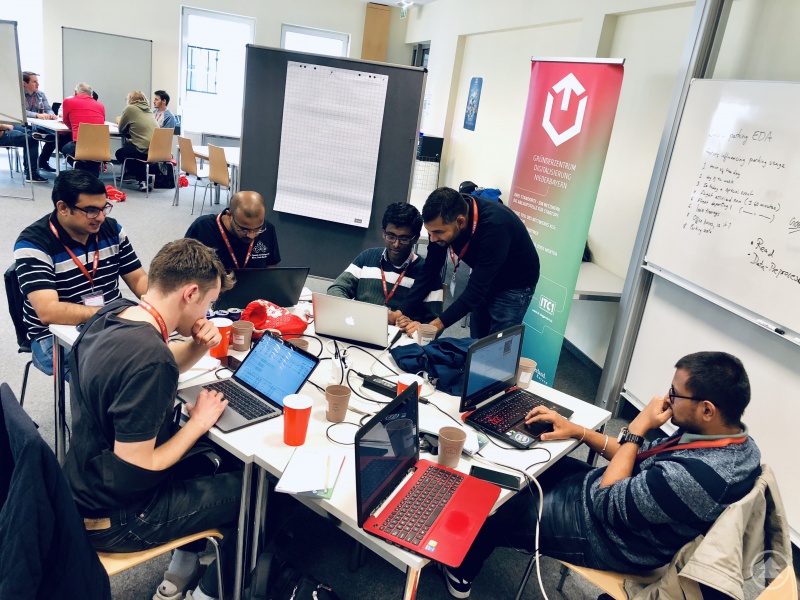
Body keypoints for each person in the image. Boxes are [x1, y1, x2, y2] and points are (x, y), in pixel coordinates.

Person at [439, 351, 762, 599]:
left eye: (675, 394)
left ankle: (461, 572)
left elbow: (606, 502)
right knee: (529, 469)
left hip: (612, 538)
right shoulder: (728, 440)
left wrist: (638, 428)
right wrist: (578, 431)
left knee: (497, 506)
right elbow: (635, 458)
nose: (665, 399)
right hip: (620, 499)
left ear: (707, 409)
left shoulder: (698, 477)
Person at [62, 238, 240, 600]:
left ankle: (183, 567)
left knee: (205, 458)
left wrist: (197, 345)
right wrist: (198, 422)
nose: (207, 314)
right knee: (256, 494)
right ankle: (208, 593)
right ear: (190, 293)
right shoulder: (151, 359)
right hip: (119, 518)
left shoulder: (115, 314)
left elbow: (157, 364)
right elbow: (140, 463)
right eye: (209, 304)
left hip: (82, 487)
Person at [13, 170, 148, 376]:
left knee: (153, 357)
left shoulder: (112, 230)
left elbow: (138, 279)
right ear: (63, 208)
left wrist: (158, 303)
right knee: (110, 377)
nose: (100, 217)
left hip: (110, 323)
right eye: (91, 210)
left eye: (104, 208)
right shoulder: (34, 243)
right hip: (53, 335)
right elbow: (49, 312)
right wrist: (111, 314)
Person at [398, 186, 540, 339]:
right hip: (484, 273)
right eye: (429, 232)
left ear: (460, 222)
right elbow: (430, 269)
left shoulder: (495, 225)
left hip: (514, 285)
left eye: (438, 232)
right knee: (476, 341)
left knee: (497, 346)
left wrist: (435, 326)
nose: (432, 239)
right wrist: (402, 312)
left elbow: (476, 291)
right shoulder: (446, 217)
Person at [327, 202, 442, 323]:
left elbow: (434, 324)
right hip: (361, 326)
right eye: (391, 236)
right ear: (383, 232)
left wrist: (413, 325)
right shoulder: (367, 258)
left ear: (416, 238)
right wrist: (356, 312)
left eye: (404, 238)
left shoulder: (428, 273)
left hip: (400, 333)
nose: (396, 244)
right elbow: (336, 289)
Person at [185, 191, 281, 271]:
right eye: (244, 229)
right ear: (229, 216)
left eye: (257, 229)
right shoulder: (202, 227)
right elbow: (185, 269)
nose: (251, 235)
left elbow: (271, 266)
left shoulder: (268, 228)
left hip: (254, 287)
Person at [116, 90, 158, 192]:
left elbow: (121, 129)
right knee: (129, 147)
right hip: (157, 149)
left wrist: (119, 121)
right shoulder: (149, 110)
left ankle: (142, 178)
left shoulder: (129, 109)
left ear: (131, 99)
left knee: (120, 153)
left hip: (143, 149)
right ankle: (145, 176)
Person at [61, 82, 106, 177]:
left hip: (80, 146)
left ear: (75, 92)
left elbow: (66, 121)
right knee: (91, 153)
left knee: (64, 147)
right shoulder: (100, 105)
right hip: (100, 148)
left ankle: (82, 172)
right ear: (91, 94)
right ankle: (91, 173)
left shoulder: (68, 102)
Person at [22, 71, 61, 173]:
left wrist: (51, 114)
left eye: (37, 81)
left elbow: (48, 109)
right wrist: (36, 115)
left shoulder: (40, 94)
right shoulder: (19, 95)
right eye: (34, 81)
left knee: (56, 135)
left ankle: (42, 161)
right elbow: (21, 111)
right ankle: (29, 168)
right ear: (24, 83)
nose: (37, 84)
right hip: (23, 125)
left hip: (38, 125)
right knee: (31, 136)